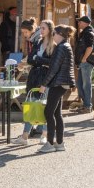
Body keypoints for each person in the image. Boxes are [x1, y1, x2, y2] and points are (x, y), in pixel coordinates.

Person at [13, 19, 54, 146]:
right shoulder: (38, 43)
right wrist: (37, 60)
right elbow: (31, 59)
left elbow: (51, 63)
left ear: (50, 30)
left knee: (44, 106)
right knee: (31, 105)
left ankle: (44, 135)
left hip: (46, 79)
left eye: (43, 28)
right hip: (34, 77)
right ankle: (25, 136)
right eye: (40, 28)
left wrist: (38, 59)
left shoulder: (54, 45)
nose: (40, 31)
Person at [38, 25, 76, 153]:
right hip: (64, 83)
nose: (52, 35)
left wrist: (44, 84)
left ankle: (49, 143)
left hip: (58, 83)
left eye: (54, 33)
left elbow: (54, 69)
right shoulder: (66, 45)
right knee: (56, 114)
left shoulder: (61, 47)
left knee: (48, 112)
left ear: (59, 34)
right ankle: (59, 143)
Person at [72, 16, 94, 114]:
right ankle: (85, 104)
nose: (78, 23)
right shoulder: (85, 33)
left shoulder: (88, 33)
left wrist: (84, 59)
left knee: (86, 84)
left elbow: (90, 47)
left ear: (86, 23)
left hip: (86, 62)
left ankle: (88, 106)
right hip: (83, 62)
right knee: (79, 84)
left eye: (80, 22)